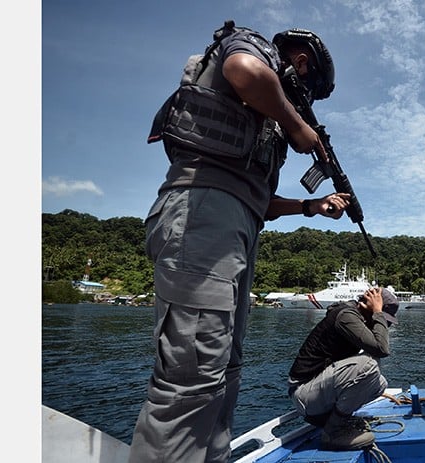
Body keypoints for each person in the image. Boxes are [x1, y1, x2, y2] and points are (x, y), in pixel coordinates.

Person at [128, 22, 350, 463]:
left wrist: (311, 206)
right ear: (301, 63)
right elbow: (243, 70)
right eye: (309, 94)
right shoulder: (255, 48)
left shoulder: (266, 113)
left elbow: (262, 202)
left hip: (237, 224)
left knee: (224, 369)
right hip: (203, 214)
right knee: (191, 378)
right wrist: (297, 125)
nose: (303, 105)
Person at [287, 287, 399, 451]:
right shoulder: (346, 316)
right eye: (385, 320)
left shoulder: (357, 317)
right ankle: (333, 432)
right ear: (369, 306)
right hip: (303, 392)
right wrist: (378, 312)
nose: (386, 325)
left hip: (315, 391)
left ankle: (333, 419)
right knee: (368, 365)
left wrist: (376, 313)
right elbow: (381, 349)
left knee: (379, 383)